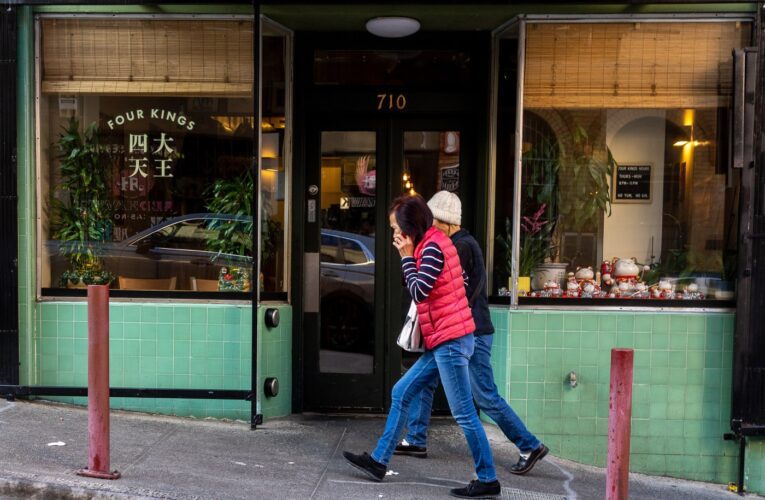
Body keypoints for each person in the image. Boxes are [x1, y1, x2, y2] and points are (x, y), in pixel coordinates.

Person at [343, 194, 501, 499]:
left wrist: (405, 256)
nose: (394, 234)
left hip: (451, 341)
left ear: (410, 225)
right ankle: (378, 461)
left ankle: (487, 478)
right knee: (401, 392)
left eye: (395, 228)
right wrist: (410, 255)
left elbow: (419, 291)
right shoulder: (433, 243)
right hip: (446, 338)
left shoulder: (431, 248)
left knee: (465, 414)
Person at [394, 191, 548, 475]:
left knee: (484, 396)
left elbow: (448, 293)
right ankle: (415, 439)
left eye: (433, 219)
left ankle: (529, 444)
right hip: (456, 330)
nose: (427, 224)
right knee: (423, 383)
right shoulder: (448, 243)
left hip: (468, 332)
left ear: (446, 221)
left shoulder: (459, 247)